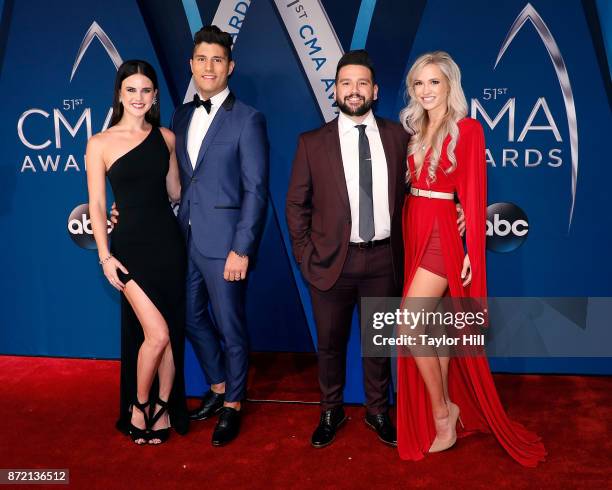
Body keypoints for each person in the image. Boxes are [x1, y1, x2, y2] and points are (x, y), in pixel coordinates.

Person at [395, 51, 546, 466]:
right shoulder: (416, 128)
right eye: (418, 84)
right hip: (418, 225)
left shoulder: (469, 129)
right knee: (437, 328)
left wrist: (469, 250)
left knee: (409, 325)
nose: (425, 91)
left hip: (442, 234)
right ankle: (445, 408)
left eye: (434, 82)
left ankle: (443, 414)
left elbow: (474, 195)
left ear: (449, 86)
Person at [286, 50, 408, 448]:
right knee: (330, 343)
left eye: (361, 83)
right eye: (345, 83)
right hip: (329, 262)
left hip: (384, 259)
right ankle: (330, 409)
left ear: (375, 90)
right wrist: (306, 256)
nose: (353, 91)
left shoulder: (400, 138)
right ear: (334, 90)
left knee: (378, 344)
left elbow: (419, 194)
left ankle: (377, 411)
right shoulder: (311, 142)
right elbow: (295, 204)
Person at [170, 25, 268, 446]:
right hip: (185, 238)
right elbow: (179, 182)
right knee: (190, 317)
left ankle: (234, 406)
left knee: (230, 325)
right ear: (191, 64)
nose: (208, 67)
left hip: (226, 243)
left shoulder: (248, 118)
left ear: (230, 66)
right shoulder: (181, 114)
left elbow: (256, 189)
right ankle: (217, 386)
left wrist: (241, 249)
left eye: (217, 59)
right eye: (201, 59)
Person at [86, 60, 189, 445]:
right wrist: (104, 255)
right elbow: (96, 204)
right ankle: (138, 406)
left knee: (167, 333)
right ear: (119, 94)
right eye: (131, 90)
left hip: (168, 245)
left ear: (155, 96)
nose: (138, 97)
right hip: (128, 248)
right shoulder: (99, 143)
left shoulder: (166, 138)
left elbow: (175, 192)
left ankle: (163, 409)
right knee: (156, 333)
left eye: (146, 90)